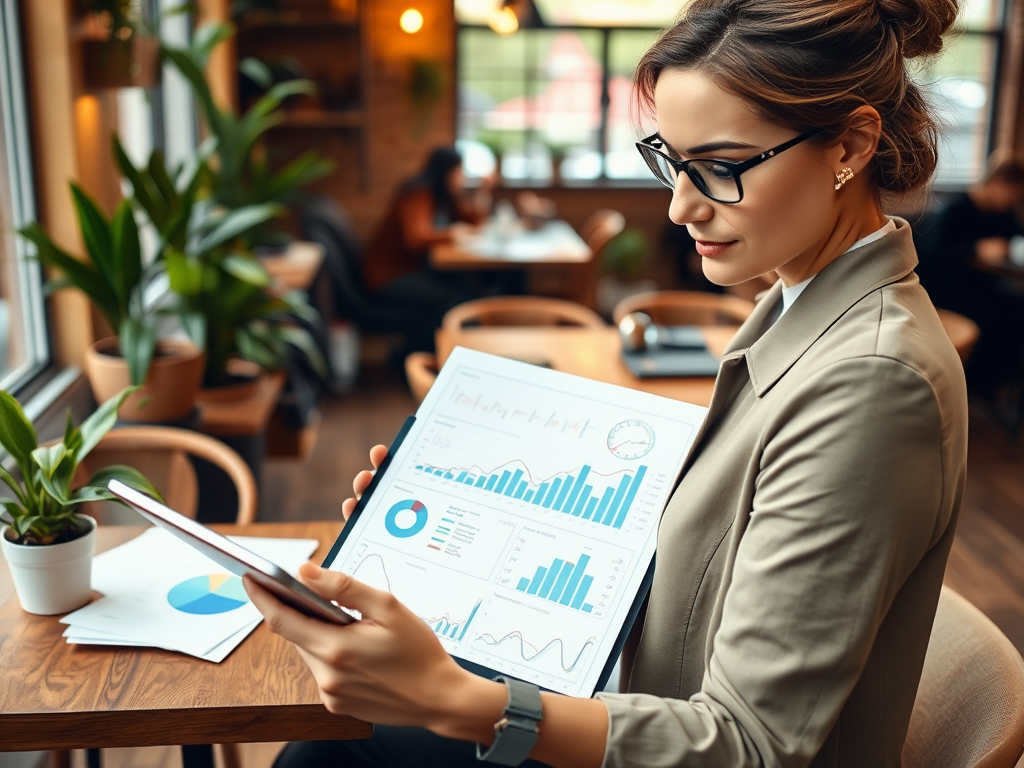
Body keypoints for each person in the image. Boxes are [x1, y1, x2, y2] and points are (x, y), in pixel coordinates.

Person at [245, 0, 969, 765]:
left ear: (850, 144)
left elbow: (751, 744)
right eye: (673, 161)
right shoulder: (792, 305)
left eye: (721, 168)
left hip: (665, 734)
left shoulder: (870, 382)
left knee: (332, 753)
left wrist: (457, 700)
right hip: (630, 686)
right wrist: (467, 513)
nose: (681, 205)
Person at [362, 147, 496, 352]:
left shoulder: (443, 197)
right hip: (389, 276)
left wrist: (482, 192)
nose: (461, 178)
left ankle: (456, 351)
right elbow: (416, 238)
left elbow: (473, 224)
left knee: (469, 285)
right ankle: (425, 353)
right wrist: (453, 233)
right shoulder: (419, 193)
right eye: (458, 172)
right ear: (445, 171)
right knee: (457, 295)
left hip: (414, 270)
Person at [918, 150, 1024, 393]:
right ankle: (974, 387)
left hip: (984, 285)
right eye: (1013, 194)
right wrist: (975, 248)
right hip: (947, 290)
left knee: (1017, 309)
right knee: (994, 316)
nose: (1013, 201)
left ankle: (997, 388)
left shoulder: (1003, 214)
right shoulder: (956, 209)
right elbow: (932, 252)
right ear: (997, 183)